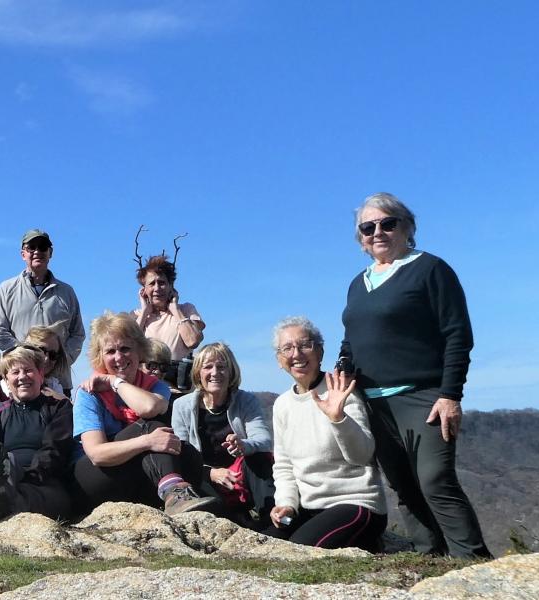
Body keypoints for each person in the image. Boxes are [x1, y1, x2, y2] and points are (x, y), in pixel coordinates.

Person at [340, 192, 490, 558]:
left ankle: (475, 564)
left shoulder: (430, 269)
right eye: (368, 227)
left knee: (436, 480)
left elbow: (457, 334)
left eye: (388, 223)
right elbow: (351, 338)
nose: (378, 232)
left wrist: (450, 394)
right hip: (373, 402)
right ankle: (430, 559)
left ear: (407, 227)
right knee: (404, 487)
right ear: (360, 237)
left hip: (423, 396)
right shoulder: (358, 283)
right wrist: (344, 366)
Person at [70, 311, 215, 516]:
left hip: (132, 475)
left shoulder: (155, 386)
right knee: (151, 428)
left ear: (140, 351)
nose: (119, 357)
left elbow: (149, 406)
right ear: (100, 357)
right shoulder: (89, 393)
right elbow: (96, 454)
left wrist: (115, 382)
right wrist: (147, 442)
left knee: (188, 453)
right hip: (94, 477)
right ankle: (174, 492)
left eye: (126, 349)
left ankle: (177, 497)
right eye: (110, 351)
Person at [264, 317, 387, 551]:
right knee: (261, 546)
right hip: (310, 509)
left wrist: (338, 418)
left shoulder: (340, 391)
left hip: (357, 503)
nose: (297, 354)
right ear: (279, 360)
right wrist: (287, 504)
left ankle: (367, 540)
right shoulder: (282, 405)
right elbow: (284, 466)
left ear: (320, 352)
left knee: (300, 552)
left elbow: (362, 455)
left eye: (305, 345)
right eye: (287, 348)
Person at [0, 347, 74, 533]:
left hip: (44, 484)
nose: (22, 376)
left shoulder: (58, 408)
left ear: (41, 375)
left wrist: (25, 477)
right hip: (3, 477)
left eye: (29, 370)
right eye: (15, 372)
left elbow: (55, 450)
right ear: (6, 381)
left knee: (12, 478)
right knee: (3, 460)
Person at [171, 342, 275, 528]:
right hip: (205, 477)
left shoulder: (246, 401)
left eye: (221, 367)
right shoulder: (182, 406)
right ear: (198, 373)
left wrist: (244, 445)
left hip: (242, 475)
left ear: (231, 371)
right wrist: (210, 473)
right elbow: (182, 454)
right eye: (208, 367)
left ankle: (271, 520)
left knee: (260, 459)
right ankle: (237, 522)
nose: (215, 372)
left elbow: (264, 440)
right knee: (194, 479)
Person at [0, 229, 85, 387]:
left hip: (59, 381)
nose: (37, 251)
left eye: (43, 247)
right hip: (22, 382)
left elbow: (78, 334)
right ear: (23, 254)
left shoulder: (67, 291)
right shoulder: (6, 289)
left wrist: (60, 359)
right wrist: (25, 358)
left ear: (50, 253)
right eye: (31, 247)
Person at [130, 255, 204, 391]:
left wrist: (175, 310)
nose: (157, 288)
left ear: (171, 287)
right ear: (143, 290)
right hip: (147, 390)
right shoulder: (135, 316)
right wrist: (145, 312)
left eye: (162, 282)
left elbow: (193, 341)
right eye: (152, 284)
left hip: (180, 391)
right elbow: (129, 345)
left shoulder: (186, 310)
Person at [20, 324, 70, 398]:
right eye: (41, 350)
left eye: (53, 355)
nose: (46, 359)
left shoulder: (54, 386)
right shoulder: (9, 385)